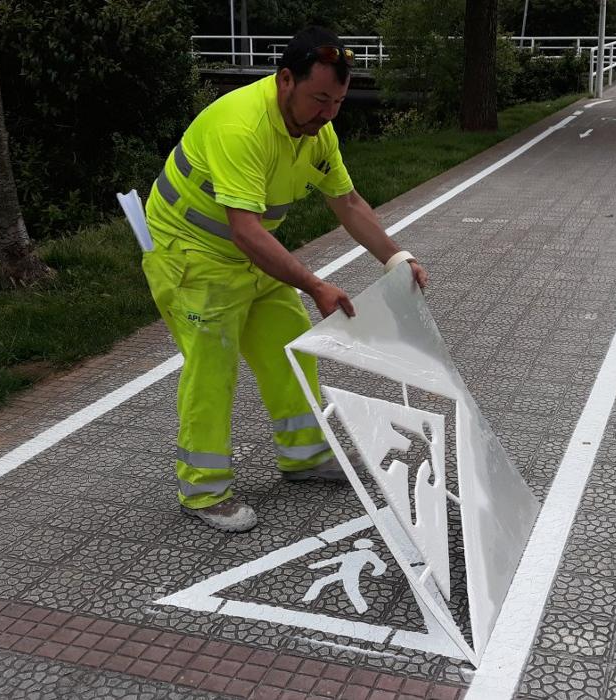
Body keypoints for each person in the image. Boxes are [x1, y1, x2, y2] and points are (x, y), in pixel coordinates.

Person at [142, 26, 428, 532]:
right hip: (191, 254)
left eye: (338, 101)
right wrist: (315, 285)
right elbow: (245, 228)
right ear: (285, 81)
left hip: (248, 254)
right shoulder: (242, 128)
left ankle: (304, 458)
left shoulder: (318, 132)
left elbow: (348, 202)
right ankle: (204, 491)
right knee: (213, 368)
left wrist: (395, 257)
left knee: (292, 349)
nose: (328, 113)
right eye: (319, 98)